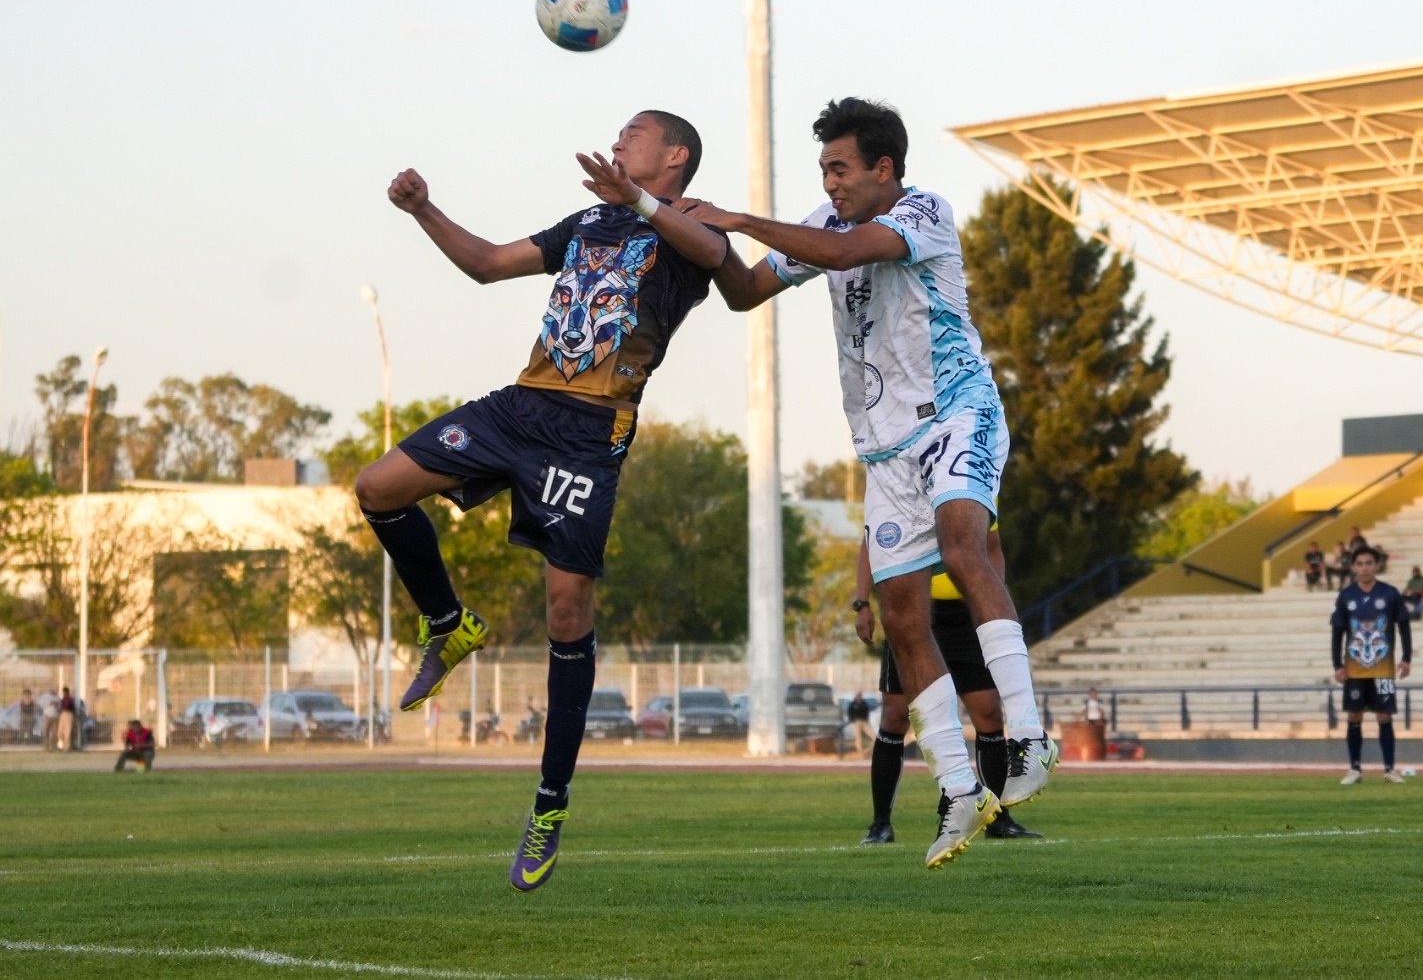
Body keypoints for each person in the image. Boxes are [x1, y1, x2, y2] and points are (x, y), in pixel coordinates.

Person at [356, 111, 731, 893]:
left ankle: (549, 805)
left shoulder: (692, 219)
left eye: (634, 132)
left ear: (675, 155)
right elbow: (490, 263)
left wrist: (642, 201)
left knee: (567, 612)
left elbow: (721, 260)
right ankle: (450, 623)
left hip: (590, 434)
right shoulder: (591, 218)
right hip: (519, 406)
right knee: (378, 487)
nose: (618, 139)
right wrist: (424, 208)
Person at [691, 98, 1056, 869]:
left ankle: (1027, 732)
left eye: (840, 168)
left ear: (883, 168)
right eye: (824, 169)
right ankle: (958, 785)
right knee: (901, 614)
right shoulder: (825, 226)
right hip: (886, 450)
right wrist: (693, 231)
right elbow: (744, 291)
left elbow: (849, 250)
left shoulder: (923, 211)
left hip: (957, 412)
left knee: (965, 551)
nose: (830, 183)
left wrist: (740, 217)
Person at [856, 523, 1040, 846]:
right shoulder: (903, 486)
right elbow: (872, 542)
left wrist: (990, 596)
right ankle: (880, 823)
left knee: (989, 715)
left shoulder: (969, 478)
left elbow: (992, 546)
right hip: (912, 608)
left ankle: (999, 817)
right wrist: (862, 602)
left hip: (965, 617)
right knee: (895, 718)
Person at [1332, 545, 1412, 784]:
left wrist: (1406, 658)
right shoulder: (1346, 596)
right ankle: (1355, 769)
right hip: (1354, 668)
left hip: (1383, 668)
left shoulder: (1389, 593)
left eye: (1369, 563)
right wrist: (1337, 664)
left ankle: (1389, 769)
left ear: (1377, 565)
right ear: (1353, 566)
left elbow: (1404, 626)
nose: (1365, 568)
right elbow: (1337, 632)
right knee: (1354, 716)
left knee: (1384, 716)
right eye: (1360, 564)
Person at [845, 692, 873, 757]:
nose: (859, 697)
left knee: (872, 735)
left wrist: (867, 720)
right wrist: (853, 719)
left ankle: (869, 750)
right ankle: (861, 752)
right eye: (858, 696)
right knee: (858, 737)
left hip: (864, 721)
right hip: (856, 721)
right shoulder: (853, 704)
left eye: (860, 696)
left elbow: (867, 712)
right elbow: (850, 712)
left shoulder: (864, 703)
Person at [58, 687, 76, 751]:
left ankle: (66, 747)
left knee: (67, 731)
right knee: (60, 732)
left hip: (68, 714)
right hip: (63, 714)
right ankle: (62, 746)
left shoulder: (69, 699)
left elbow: (69, 706)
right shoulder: (63, 699)